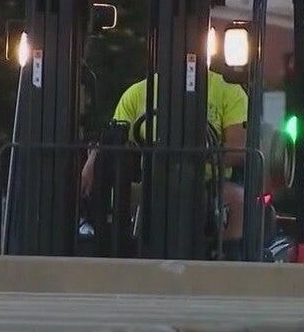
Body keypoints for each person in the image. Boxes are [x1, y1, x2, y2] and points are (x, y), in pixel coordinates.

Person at [80, 69, 249, 259]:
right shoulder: (137, 93)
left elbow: (237, 150)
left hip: (209, 182)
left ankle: (228, 262)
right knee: (115, 194)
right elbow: (114, 138)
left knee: (237, 199)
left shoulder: (228, 91)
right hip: (152, 182)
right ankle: (114, 253)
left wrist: (194, 155)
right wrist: (93, 160)